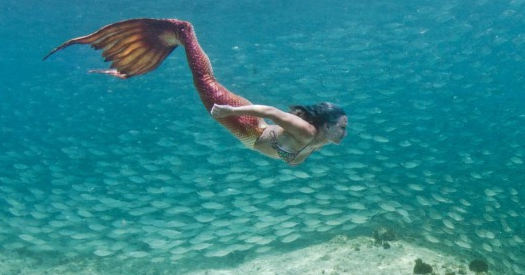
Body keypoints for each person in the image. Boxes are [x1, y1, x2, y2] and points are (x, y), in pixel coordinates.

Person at [45, 18, 347, 165]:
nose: (344, 133)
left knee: (207, 80)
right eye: (341, 127)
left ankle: (135, 62)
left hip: (253, 134)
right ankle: (182, 31)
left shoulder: (322, 141)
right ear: (325, 124)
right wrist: (231, 111)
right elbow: (269, 112)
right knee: (205, 80)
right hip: (248, 128)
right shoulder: (307, 132)